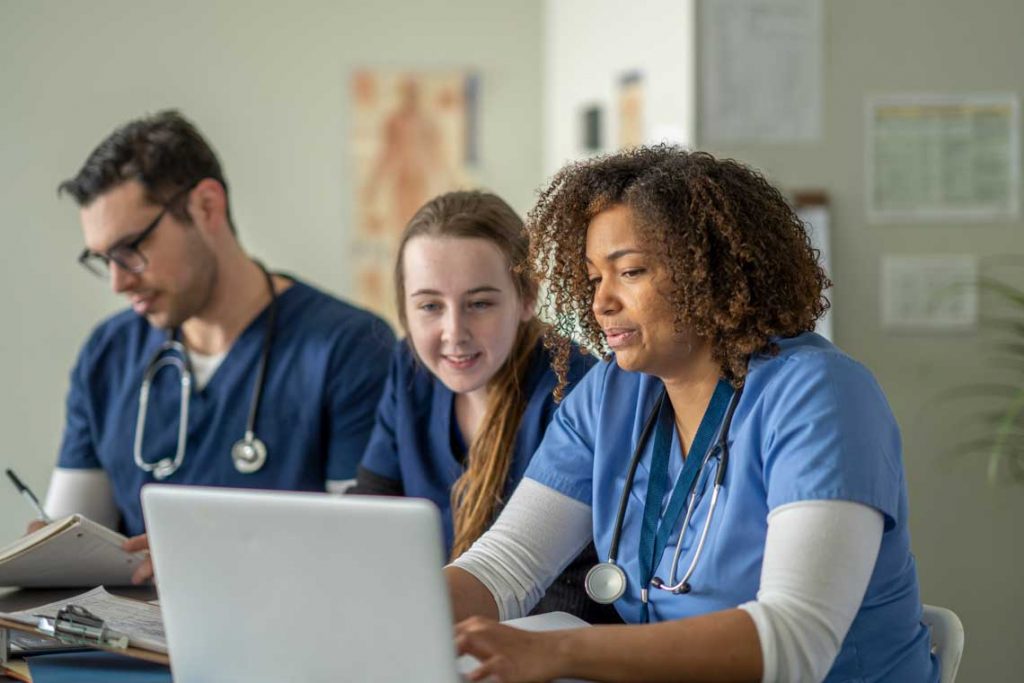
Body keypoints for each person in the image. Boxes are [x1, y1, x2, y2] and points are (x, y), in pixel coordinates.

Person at [445, 148, 939, 682]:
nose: (601, 302)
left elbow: (796, 642)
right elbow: (504, 567)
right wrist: (395, 617)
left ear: (713, 272)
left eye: (629, 271)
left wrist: (559, 653)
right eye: (593, 279)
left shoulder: (820, 395)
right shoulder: (612, 394)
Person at [43, 111, 395, 582]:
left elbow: (361, 554)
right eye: (102, 259)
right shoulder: (108, 354)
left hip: (284, 642)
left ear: (206, 207)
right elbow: (71, 537)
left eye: (130, 249)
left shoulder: (348, 348)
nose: (118, 281)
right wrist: (44, 550)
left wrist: (208, 557)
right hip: (127, 648)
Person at [350, 190, 620, 623]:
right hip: (426, 628)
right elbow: (367, 521)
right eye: (430, 306)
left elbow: (573, 593)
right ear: (403, 306)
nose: (454, 332)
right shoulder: (410, 370)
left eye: (479, 304)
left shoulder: (579, 392)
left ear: (527, 298)